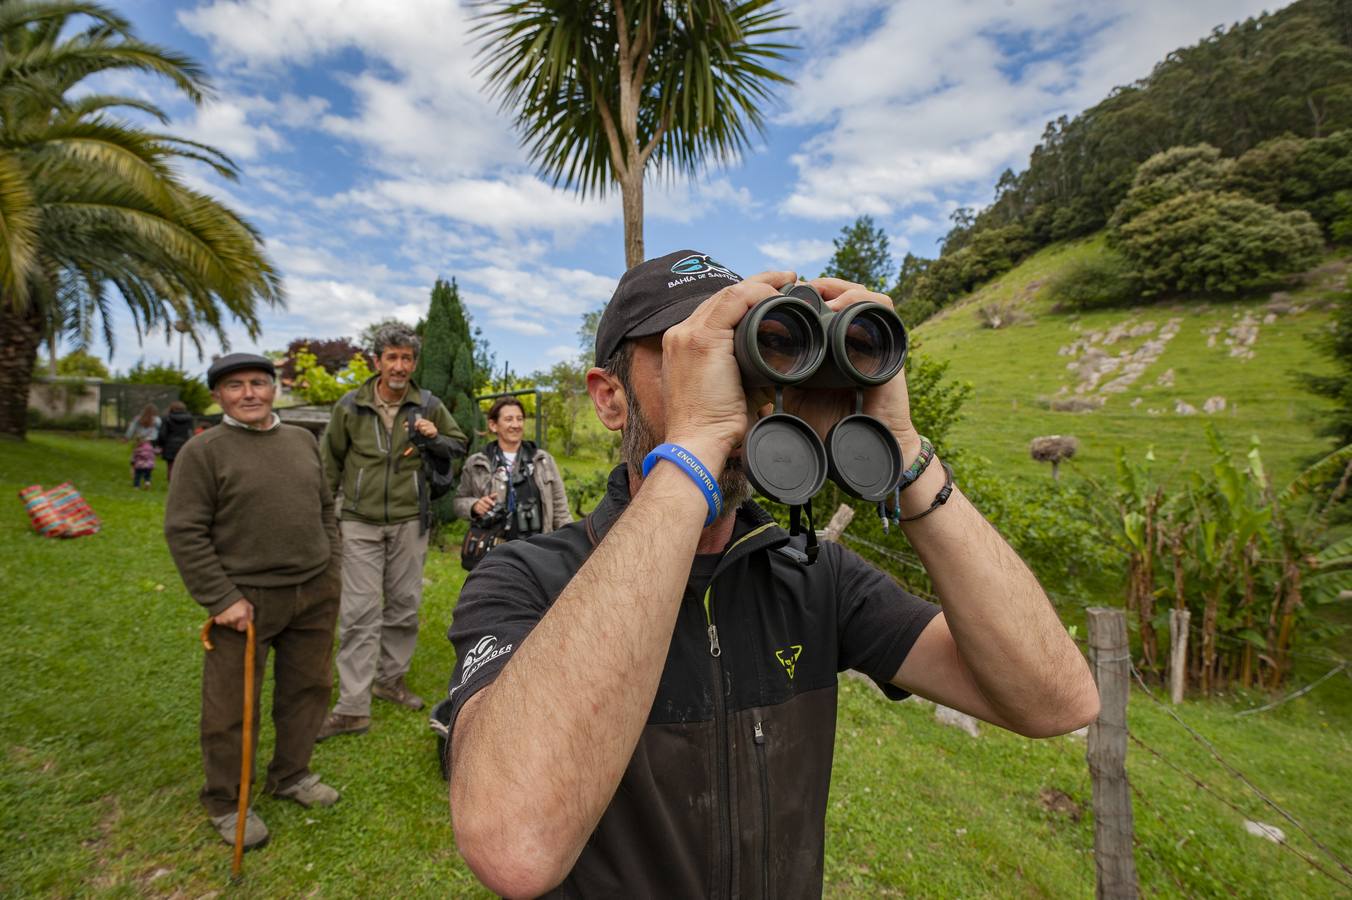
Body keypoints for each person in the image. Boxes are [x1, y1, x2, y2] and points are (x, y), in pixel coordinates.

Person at [443, 250, 1101, 898]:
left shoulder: (814, 576)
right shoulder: (525, 577)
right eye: (693, 354)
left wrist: (901, 451)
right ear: (609, 398)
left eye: (749, 350)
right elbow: (514, 845)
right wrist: (696, 447)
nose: (736, 385)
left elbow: (1056, 700)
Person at [163, 352, 343, 851]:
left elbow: (325, 508)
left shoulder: (302, 441)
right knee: (231, 708)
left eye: (259, 383)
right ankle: (225, 801)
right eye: (236, 385)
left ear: (274, 389)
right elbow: (184, 530)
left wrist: (331, 570)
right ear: (218, 395)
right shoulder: (204, 452)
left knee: (307, 690)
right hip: (243, 602)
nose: (249, 394)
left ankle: (291, 775)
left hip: (313, 592)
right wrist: (221, 597)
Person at [318, 323, 467, 740]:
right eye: (392, 357)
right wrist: (324, 516)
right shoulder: (350, 406)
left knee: (403, 604)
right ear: (377, 361)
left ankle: (390, 679)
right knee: (360, 610)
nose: (399, 366)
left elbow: (458, 444)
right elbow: (329, 462)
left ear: (413, 363)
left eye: (406, 358)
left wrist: (436, 436)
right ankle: (352, 705)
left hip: (408, 522)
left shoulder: (428, 404)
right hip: (359, 521)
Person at [453, 396, 572, 538]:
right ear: (493, 425)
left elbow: (560, 510)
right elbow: (458, 502)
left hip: (536, 550)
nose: (516, 425)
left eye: (519, 419)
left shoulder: (543, 460)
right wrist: (474, 506)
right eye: (509, 419)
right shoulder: (477, 463)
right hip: (493, 552)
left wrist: (568, 541)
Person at [156, 399, 196, 481]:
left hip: (170, 445)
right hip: (184, 444)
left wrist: (160, 444)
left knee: (170, 467)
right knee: (183, 467)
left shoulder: (167, 418)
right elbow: (191, 432)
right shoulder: (189, 419)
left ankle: (171, 487)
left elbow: (162, 434)